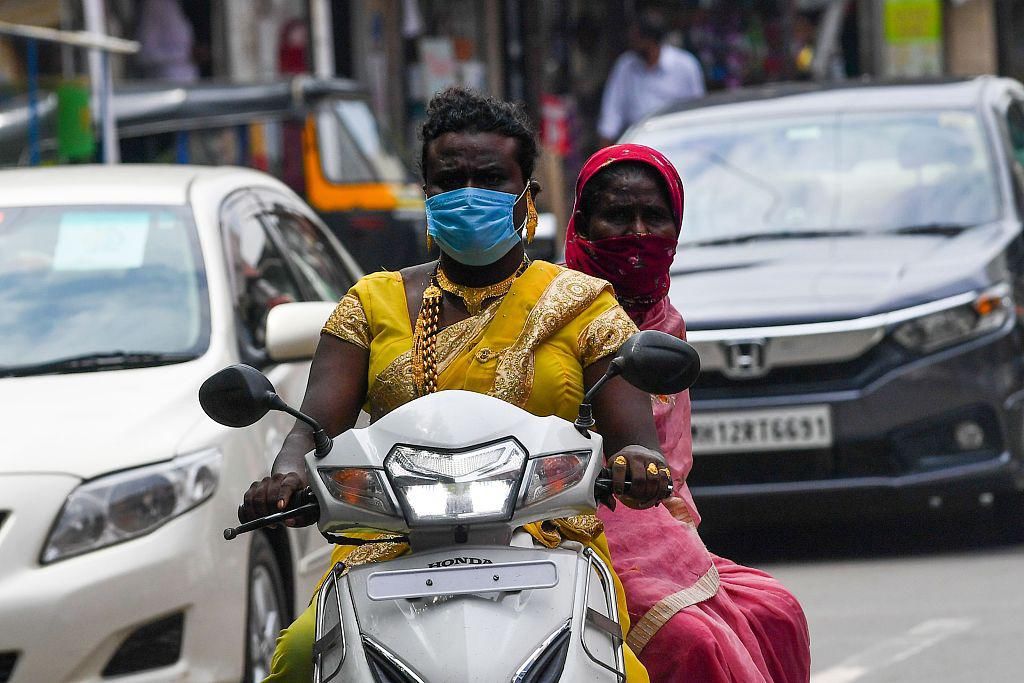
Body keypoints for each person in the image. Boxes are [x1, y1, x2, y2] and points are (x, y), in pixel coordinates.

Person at [242, 88, 674, 682]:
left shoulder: (581, 306)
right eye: (452, 179)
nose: (470, 193)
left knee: (619, 671)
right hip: (392, 542)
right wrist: (286, 477)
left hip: (545, 541)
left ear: (527, 194)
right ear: (428, 191)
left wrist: (638, 463)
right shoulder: (371, 304)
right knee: (298, 656)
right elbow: (312, 428)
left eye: (491, 178)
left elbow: (636, 438)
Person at [565, 143, 812, 682]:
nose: (636, 235)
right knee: (691, 642)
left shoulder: (665, 323)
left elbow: (669, 473)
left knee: (777, 612)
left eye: (654, 218)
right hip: (570, 529)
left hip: (659, 526)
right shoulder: (555, 311)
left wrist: (672, 529)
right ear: (581, 223)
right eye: (616, 216)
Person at [597, 9, 706, 146]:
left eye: (636, 38)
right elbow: (612, 111)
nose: (632, 42)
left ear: (650, 40)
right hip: (637, 145)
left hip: (677, 143)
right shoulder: (626, 65)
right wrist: (605, 151)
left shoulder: (685, 65)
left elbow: (698, 110)